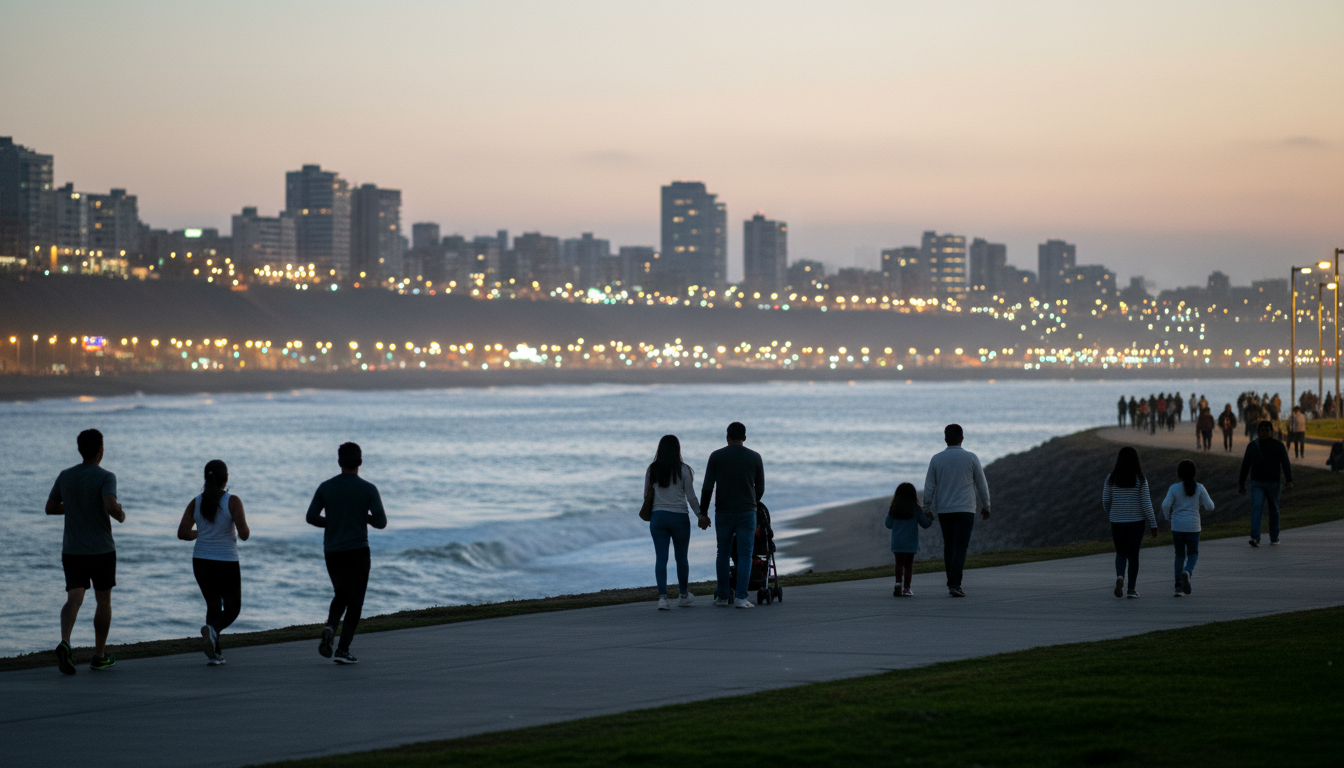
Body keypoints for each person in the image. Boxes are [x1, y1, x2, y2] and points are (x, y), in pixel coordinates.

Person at [46, 429, 124, 674]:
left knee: (74, 599)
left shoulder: (65, 476)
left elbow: (51, 508)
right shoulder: (106, 476)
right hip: (101, 549)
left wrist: (75, 508)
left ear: (80, 449)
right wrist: (120, 514)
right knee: (103, 600)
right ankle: (99, 655)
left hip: (72, 550)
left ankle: (65, 642)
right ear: (101, 450)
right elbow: (110, 504)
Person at [306, 442, 387, 663]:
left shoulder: (326, 487)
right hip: (358, 551)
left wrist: (332, 523)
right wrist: (364, 517)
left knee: (341, 593)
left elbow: (311, 517)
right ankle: (342, 649)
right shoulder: (368, 489)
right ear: (360, 462)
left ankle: (331, 626)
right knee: (356, 601)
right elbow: (381, 522)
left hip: (333, 551)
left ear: (339, 462)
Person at [177, 460, 250, 665]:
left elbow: (182, 533)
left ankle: (215, 654)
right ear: (226, 478)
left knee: (213, 605)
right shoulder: (232, 501)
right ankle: (213, 631)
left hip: (201, 560)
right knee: (233, 608)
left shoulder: (196, 501)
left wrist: (203, 533)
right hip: (225, 561)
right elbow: (244, 534)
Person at [699, 422, 765, 609]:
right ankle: (741, 598)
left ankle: (722, 596)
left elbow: (707, 488)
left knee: (723, 552)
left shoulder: (716, 456)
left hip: (723, 512)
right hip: (746, 511)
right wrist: (752, 502)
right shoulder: (755, 457)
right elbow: (760, 488)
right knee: (745, 554)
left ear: (727, 437)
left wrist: (703, 513)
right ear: (745, 437)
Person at [922, 424, 991, 598]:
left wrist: (926, 507)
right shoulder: (971, 458)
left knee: (949, 547)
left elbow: (929, 486)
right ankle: (954, 584)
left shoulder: (937, 459)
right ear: (962, 438)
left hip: (945, 509)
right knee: (960, 547)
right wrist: (986, 505)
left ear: (945, 439)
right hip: (966, 509)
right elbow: (982, 484)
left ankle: (952, 582)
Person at [643, 435, 708, 609]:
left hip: (658, 517)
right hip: (679, 517)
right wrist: (700, 515)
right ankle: (684, 595)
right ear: (677, 449)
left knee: (661, 558)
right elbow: (691, 497)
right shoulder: (684, 469)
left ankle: (662, 598)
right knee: (681, 558)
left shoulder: (652, 469)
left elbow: (646, 495)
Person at [1102, 446, 1157, 598]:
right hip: (1136, 523)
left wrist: (1111, 513)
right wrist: (1153, 524)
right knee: (1133, 555)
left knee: (1120, 553)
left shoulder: (1111, 479)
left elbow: (1106, 500)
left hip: (1117, 522)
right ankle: (1131, 590)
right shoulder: (1140, 480)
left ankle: (1120, 576)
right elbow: (1146, 503)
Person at [1161, 460, 1214, 597]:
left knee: (1179, 555)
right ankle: (1187, 572)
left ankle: (1178, 587)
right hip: (1193, 526)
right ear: (1194, 473)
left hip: (1177, 526)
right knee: (1193, 554)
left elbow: (1165, 505)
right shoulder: (1200, 488)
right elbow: (1210, 507)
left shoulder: (1173, 488)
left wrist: (1168, 517)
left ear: (1179, 473)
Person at [1238, 420, 1293, 547]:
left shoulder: (1278, 445)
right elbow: (1245, 465)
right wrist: (1241, 483)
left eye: (1267, 430)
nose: (1264, 433)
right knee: (1257, 507)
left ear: (1271, 432)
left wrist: (1289, 480)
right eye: (1262, 431)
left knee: (1274, 510)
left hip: (1274, 483)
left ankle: (1274, 537)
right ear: (1258, 432)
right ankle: (1255, 537)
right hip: (1257, 483)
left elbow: (1285, 463)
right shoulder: (1252, 446)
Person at [885, 482, 932, 597]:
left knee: (899, 563)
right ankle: (907, 588)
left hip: (897, 542)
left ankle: (897, 583)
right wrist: (930, 517)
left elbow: (888, 524)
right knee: (909, 565)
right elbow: (925, 524)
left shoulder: (894, 509)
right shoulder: (916, 509)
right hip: (910, 542)